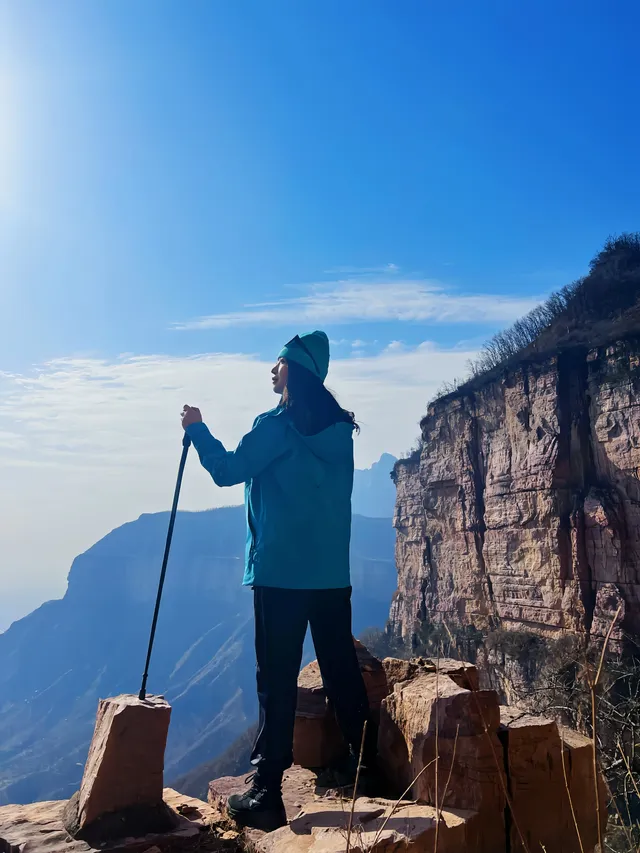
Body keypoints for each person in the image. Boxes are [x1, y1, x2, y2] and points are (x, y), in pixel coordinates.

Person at [181, 330, 376, 832]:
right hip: (331, 574)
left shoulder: (277, 426)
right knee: (339, 669)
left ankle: (268, 790)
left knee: (276, 678)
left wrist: (198, 430)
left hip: (281, 574)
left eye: (279, 363)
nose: (272, 370)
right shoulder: (339, 430)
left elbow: (228, 471)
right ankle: (367, 768)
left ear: (295, 371)